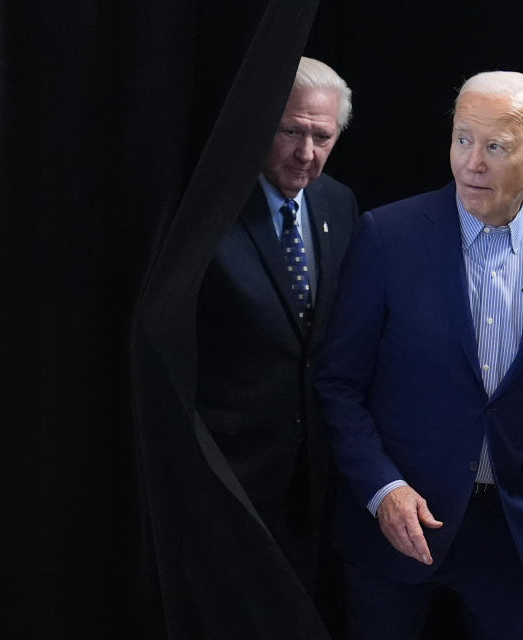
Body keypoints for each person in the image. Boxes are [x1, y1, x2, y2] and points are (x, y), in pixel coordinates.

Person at [315, 71, 523, 639]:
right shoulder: (387, 235)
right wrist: (383, 489)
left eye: (496, 147)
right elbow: (338, 384)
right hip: (395, 523)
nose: (472, 163)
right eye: (463, 139)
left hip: (510, 530)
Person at [195, 57, 358, 595]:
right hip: (225, 473)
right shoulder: (209, 205)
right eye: (291, 131)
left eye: (322, 136)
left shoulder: (339, 202)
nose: (306, 154)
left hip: (310, 475)